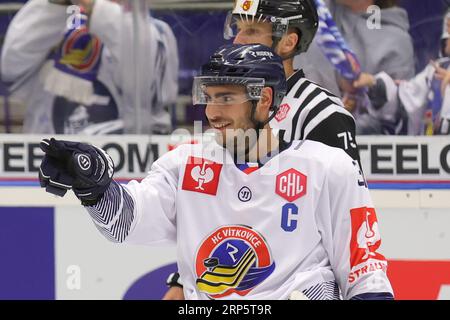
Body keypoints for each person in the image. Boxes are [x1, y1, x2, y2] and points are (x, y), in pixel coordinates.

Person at [38, 43, 394, 300]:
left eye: (226, 98)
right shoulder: (186, 163)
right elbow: (128, 222)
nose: (212, 113)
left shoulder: (328, 168)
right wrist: (95, 189)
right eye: (208, 98)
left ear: (265, 100)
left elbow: (366, 275)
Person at [164, 0, 362, 299]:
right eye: (238, 29)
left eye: (252, 30)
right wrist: (182, 282)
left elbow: (350, 221)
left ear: (288, 41)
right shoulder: (235, 105)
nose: (238, 40)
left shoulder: (323, 114)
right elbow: (218, 207)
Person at [1, 0, 178, 134]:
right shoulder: (51, 27)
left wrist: (94, 7)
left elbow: (148, 90)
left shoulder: (155, 32)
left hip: (123, 170)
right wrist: (55, 4)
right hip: (47, 166)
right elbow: (11, 68)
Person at [297, 0, 414, 134]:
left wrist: (339, 123)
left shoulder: (397, 40)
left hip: (349, 145)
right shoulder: (313, 12)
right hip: (288, 132)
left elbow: (392, 120)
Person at [353, 9, 450, 135]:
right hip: (436, 152)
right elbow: (405, 99)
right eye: (448, 26)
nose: (447, 32)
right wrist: (374, 84)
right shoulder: (435, 72)